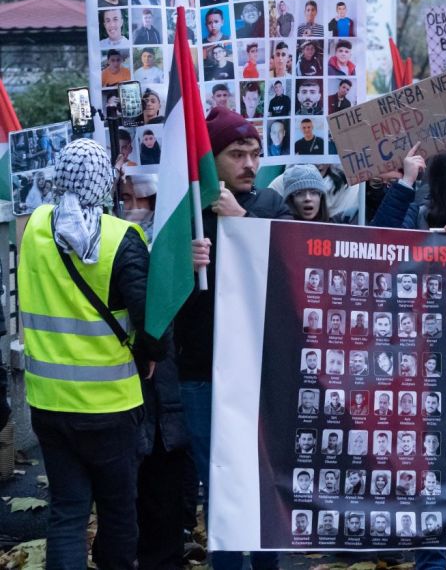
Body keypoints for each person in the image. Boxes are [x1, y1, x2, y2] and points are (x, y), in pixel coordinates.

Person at [20, 139, 169, 570]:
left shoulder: (35, 227)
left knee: (67, 512)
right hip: (111, 407)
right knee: (118, 512)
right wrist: (151, 353)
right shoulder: (122, 238)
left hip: (47, 402)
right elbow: (151, 320)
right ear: (105, 182)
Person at [179, 108, 290, 570]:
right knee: (220, 487)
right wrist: (182, 265)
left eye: (255, 154)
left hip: (262, 376)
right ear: (211, 160)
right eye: (236, 153)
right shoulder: (185, 217)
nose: (249, 164)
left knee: (265, 484)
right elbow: (163, 297)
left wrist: (239, 220)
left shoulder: (268, 205)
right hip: (201, 374)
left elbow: (289, 273)